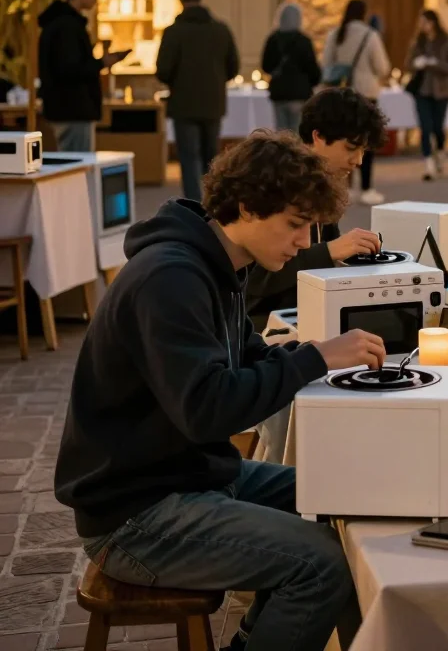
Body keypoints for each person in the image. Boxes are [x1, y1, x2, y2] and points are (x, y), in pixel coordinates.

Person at [54, 131, 388, 651]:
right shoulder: (171, 277)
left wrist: (316, 356)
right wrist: (315, 359)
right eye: (296, 226)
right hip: (134, 513)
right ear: (249, 206)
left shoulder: (216, 263)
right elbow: (208, 411)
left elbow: (248, 353)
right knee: (319, 562)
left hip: (186, 475)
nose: (305, 243)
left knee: (337, 494)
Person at [246, 88, 390, 328]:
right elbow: (255, 279)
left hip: (303, 311)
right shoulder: (276, 182)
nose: (358, 160)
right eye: (351, 148)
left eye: (363, 150)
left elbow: (322, 256)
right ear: (318, 136)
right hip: (264, 323)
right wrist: (331, 251)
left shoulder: (321, 183)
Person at [156, 0, 239, 202]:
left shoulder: (174, 32)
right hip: (213, 102)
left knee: (189, 157)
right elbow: (233, 67)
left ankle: (194, 204)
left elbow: (163, 70)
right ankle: (214, 201)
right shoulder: (221, 30)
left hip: (184, 103)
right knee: (211, 157)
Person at [38, 0, 129, 152]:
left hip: (64, 107)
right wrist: (101, 63)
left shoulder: (59, 23)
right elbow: (70, 69)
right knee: (77, 168)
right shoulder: (68, 26)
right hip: (73, 108)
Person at [321, 0, 392, 205]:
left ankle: (346, 186)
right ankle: (367, 187)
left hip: (340, 94)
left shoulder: (335, 34)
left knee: (343, 140)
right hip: (366, 94)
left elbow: (325, 63)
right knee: (366, 143)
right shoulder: (370, 35)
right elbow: (382, 67)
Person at [406, 9, 448, 181]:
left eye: (426, 22)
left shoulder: (447, 41)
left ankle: (440, 153)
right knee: (425, 127)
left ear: (434, 22)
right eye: (421, 23)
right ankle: (428, 164)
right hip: (422, 90)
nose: (423, 26)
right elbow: (408, 63)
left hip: (441, 90)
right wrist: (417, 63)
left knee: (438, 127)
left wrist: (436, 63)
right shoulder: (418, 42)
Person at [260, 3, 321, 133]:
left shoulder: (273, 40)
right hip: (299, 93)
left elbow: (266, 66)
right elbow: (312, 69)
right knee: (297, 133)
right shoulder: (304, 41)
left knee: (281, 134)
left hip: (279, 93)